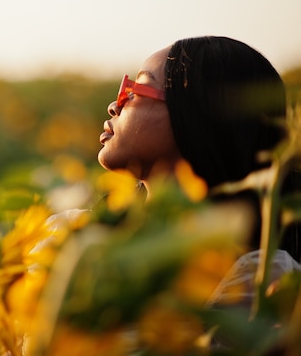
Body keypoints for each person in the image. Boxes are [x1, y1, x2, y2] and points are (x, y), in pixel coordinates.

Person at [97, 35, 301, 348]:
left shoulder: (258, 284)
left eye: (134, 90)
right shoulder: (87, 237)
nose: (114, 105)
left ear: (194, 113)